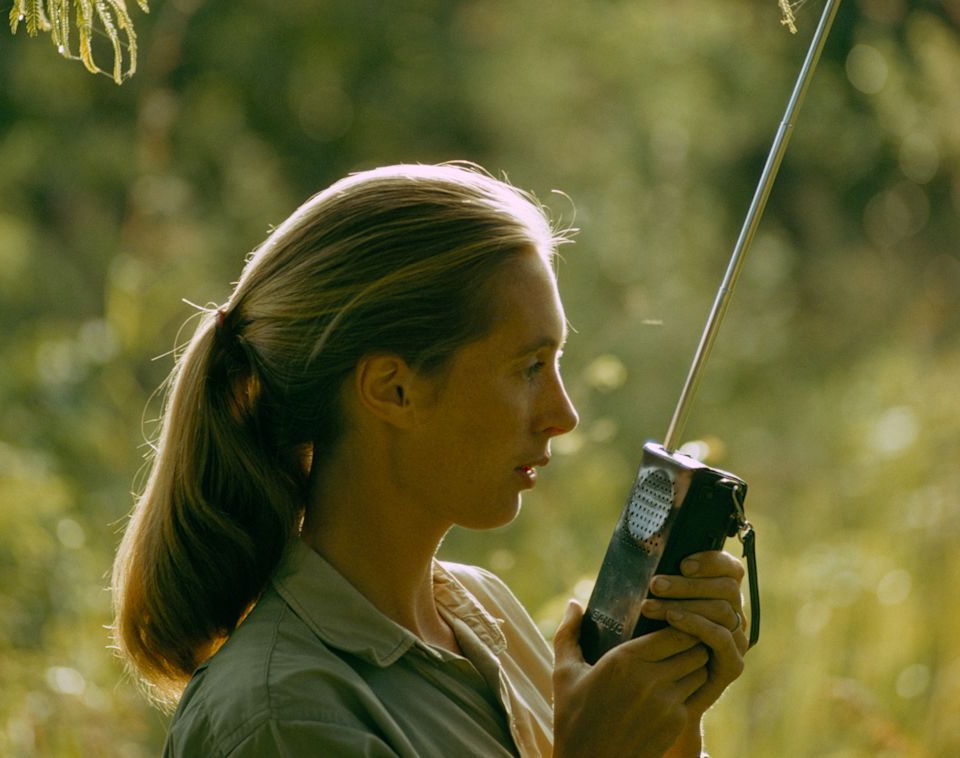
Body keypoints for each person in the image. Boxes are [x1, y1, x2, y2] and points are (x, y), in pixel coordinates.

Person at [111, 163, 748, 757]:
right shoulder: (279, 715)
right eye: (529, 367)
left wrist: (666, 722)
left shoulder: (483, 611)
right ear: (394, 389)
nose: (564, 413)